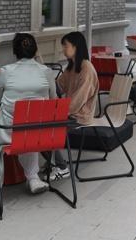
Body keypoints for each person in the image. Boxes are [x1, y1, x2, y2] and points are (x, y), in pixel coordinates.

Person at [0, 33, 56, 197]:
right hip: (40, 132)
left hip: (9, 131)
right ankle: (32, 177)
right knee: (30, 123)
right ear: (35, 50)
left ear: (14, 52)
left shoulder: (5, 72)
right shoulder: (47, 72)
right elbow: (54, 101)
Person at [44, 31, 99, 180]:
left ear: (76, 47)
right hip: (69, 112)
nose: (63, 49)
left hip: (79, 116)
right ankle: (53, 161)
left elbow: (77, 102)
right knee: (36, 125)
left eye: (65, 46)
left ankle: (62, 167)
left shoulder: (86, 69)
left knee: (44, 129)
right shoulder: (72, 67)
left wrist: (56, 111)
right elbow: (58, 86)